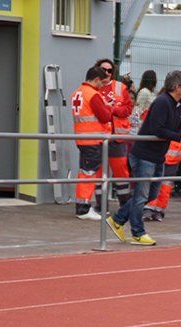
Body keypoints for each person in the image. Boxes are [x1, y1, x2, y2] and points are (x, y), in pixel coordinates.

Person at [106, 71, 181, 246]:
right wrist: (178, 137)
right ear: (176, 87)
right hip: (144, 155)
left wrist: (180, 135)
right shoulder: (162, 102)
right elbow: (158, 129)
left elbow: (175, 128)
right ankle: (138, 232)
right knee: (141, 194)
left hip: (158, 155)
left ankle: (118, 219)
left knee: (150, 193)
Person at [71, 66, 113, 220]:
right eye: (102, 83)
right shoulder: (93, 95)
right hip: (93, 140)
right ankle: (83, 208)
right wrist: (108, 108)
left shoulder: (77, 93)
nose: (102, 86)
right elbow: (105, 116)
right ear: (96, 80)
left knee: (85, 172)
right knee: (88, 173)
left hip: (82, 138)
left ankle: (83, 206)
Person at [96, 59, 133, 206]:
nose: (106, 73)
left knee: (121, 173)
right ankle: (100, 205)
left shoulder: (120, 88)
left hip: (116, 138)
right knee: (98, 174)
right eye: (103, 70)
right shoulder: (92, 88)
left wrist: (111, 110)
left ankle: (125, 205)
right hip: (98, 138)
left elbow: (127, 109)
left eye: (109, 70)